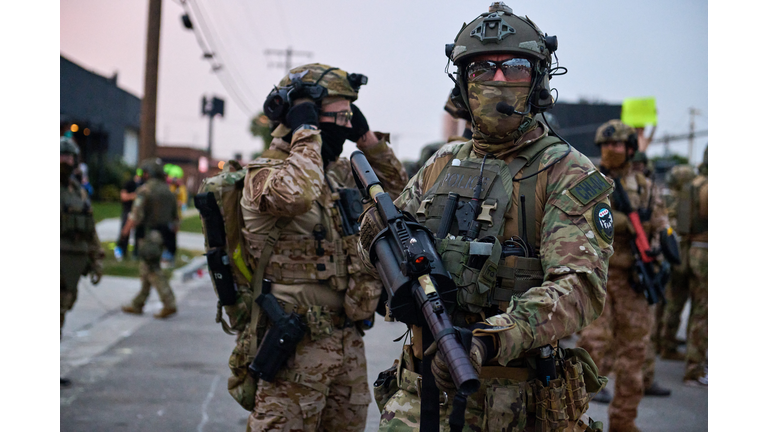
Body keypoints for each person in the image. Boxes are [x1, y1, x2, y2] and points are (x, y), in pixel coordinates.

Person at [359, 3, 614, 431]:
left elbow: (579, 289)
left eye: (513, 68)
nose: (497, 80)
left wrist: (489, 341)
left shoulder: (566, 172)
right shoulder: (443, 161)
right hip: (418, 397)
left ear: (537, 80)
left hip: (515, 404)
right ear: (464, 82)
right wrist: (372, 232)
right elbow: (385, 244)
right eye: (482, 68)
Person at [237, 63, 408, 431]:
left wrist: (368, 140)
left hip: (346, 343)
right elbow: (297, 194)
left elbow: (397, 192)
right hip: (294, 348)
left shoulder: (335, 174)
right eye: (339, 116)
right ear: (304, 117)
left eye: (351, 117)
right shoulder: (265, 173)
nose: (345, 126)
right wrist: (304, 129)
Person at [576, 119, 671, 431]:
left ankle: (624, 421)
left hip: (634, 280)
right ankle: (572, 419)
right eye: (605, 145)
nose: (610, 150)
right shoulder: (591, 179)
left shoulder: (645, 186)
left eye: (616, 145)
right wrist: (622, 222)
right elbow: (582, 213)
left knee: (634, 356)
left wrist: (660, 247)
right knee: (591, 348)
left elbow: (660, 222)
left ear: (630, 149)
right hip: (598, 277)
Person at [60, 136, 104, 386]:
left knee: (62, 312)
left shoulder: (77, 190)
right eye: (61, 156)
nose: (65, 161)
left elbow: (89, 228)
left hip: (72, 263)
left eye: (69, 157)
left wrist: (96, 258)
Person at [120, 158, 179, 319]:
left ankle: (169, 303)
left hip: (148, 235)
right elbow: (176, 219)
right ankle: (138, 303)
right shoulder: (169, 192)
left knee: (152, 269)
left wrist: (125, 232)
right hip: (163, 236)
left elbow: (135, 215)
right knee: (146, 268)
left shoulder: (145, 190)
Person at [657, 163, 697, 360]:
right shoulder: (679, 200)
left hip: (664, 254)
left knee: (663, 301)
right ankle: (667, 342)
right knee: (673, 301)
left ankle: (660, 339)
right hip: (676, 255)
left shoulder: (663, 194)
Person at [681, 147, 707, 387]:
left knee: (698, 310)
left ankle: (694, 363)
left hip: (692, 250)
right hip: (706, 251)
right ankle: (695, 369)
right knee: (704, 313)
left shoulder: (694, 184)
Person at [116, 169, 144, 261]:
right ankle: (121, 251)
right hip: (128, 210)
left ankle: (136, 254)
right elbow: (123, 196)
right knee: (125, 231)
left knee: (139, 233)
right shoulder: (129, 184)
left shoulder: (143, 185)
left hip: (138, 212)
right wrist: (133, 196)